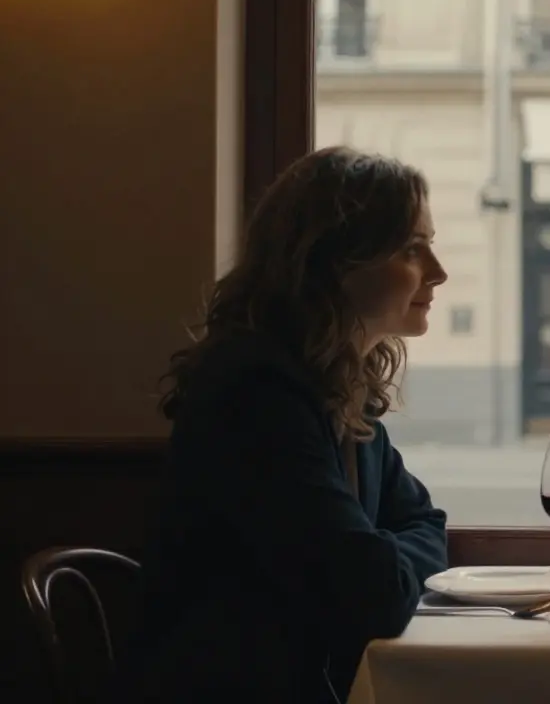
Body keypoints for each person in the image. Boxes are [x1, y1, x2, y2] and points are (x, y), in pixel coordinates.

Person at [118, 146, 450, 703]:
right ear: (333, 261)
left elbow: (427, 523)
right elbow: (373, 595)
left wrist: (385, 559)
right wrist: (387, 562)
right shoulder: (255, 394)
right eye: (411, 249)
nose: (437, 273)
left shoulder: (340, 387)